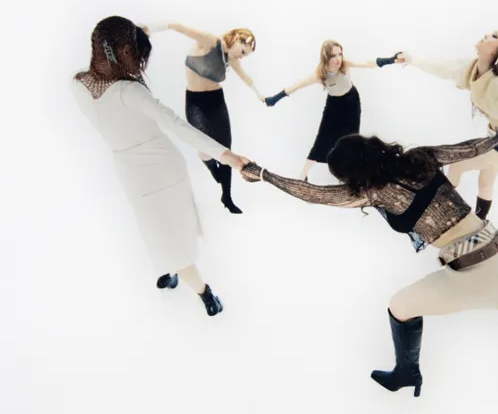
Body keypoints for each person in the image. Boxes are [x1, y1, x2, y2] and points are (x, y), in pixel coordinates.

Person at [239, 128, 498, 396]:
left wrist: (263, 174)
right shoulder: (419, 157)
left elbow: (312, 193)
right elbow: (467, 149)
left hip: (479, 274)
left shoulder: (373, 193)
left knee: (400, 307)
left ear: (352, 176)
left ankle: (407, 374)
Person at [70, 16, 250, 316]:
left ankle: (204, 291)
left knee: (172, 232)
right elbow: (173, 124)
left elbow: (177, 125)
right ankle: (175, 268)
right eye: (133, 53)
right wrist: (227, 155)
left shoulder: (81, 83)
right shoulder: (120, 89)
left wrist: (225, 155)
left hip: (162, 170)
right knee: (155, 230)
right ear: (119, 51)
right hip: (132, 171)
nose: (137, 62)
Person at [399, 26, 498, 220]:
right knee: (485, 183)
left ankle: (440, 211)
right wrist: (412, 60)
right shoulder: (474, 68)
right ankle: (479, 223)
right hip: (495, 137)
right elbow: (444, 67)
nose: (486, 34)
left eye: (494, 36)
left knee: (457, 165)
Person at [143, 23, 264, 214]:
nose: (241, 57)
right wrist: (150, 29)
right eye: (242, 51)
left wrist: (261, 95)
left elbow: (245, 77)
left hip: (217, 101)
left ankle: (227, 197)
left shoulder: (231, 58)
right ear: (236, 39)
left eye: (245, 55)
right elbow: (178, 27)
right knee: (205, 147)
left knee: (225, 147)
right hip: (196, 103)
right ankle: (208, 163)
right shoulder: (211, 41)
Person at [263, 39, 403, 180]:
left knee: (351, 139)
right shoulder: (320, 75)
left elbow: (367, 63)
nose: (338, 59)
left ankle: (352, 175)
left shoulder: (345, 65)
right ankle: (302, 176)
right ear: (326, 58)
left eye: (340, 54)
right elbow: (297, 85)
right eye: (333, 56)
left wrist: (392, 59)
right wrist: (274, 99)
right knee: (322, 138)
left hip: (351, 102)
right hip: (334, 104)